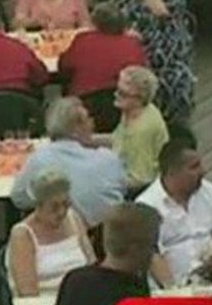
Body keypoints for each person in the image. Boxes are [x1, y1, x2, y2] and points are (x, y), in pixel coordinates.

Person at [137, 138, 212, 288]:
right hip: (171, 289)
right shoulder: (146, 205)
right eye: (194, 167)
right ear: (172, 172)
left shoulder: (207, 190)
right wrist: (176, 290)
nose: (203, 171)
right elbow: (152, 257)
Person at [10, 97, 127, 228]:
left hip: (61, 237)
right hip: (108, 237)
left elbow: (18, 198)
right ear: (76, 128)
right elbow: (122, 189)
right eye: (88, 119)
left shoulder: (40, 158)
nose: (92, 123)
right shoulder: (109, 159)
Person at [115, 0, 195, 123]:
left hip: (167, 44)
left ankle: (173, 121)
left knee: (171, 78)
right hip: (135, 42)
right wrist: (126, 30)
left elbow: (161, 11)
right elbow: (118, 10)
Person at [7, 170, 95, 297]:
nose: (61, 212)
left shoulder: (74, 218)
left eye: (66, 204)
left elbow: (91, 265)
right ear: (38, 206)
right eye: (54, 207)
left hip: (80, 298)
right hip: (43, 304)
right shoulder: (22, 235)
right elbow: (28, 292)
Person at [58, 2, 147, 98]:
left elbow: (64, 65)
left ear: (95, 22)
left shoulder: (83, 40)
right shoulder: (133, 43)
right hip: (124, 100)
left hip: (84, 99)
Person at [108, 66, 170, 193]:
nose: (115, 95)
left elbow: (141, 179)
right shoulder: (133, 111)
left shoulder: (141, 130)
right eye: (117, 90)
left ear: (139, 98)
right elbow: (116, 139)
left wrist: (103, 181)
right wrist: (85, 139)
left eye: (122, 93)